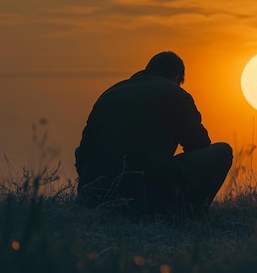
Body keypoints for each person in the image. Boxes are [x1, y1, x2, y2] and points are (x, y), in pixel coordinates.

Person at [75, 51, 233, 220]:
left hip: (95, 196)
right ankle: (187, 215)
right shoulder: (175, 94)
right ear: (177, 77)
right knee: (223, 151)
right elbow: (199, 145)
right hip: (144, 194)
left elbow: (83, 152)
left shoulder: (110, 93)